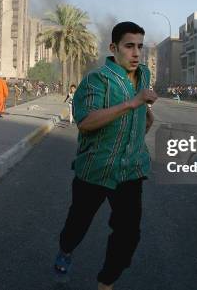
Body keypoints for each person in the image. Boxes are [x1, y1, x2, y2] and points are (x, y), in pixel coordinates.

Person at [54, 22, 157, 290]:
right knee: (77, 225)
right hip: (96, 168)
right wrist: (132, 103)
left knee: (128, 234)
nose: (136, 53)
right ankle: (66, 250)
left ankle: (106, 282)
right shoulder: (96, 80)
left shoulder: (144, 75)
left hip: (130, 170)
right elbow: (85, 122)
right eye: (129, 46)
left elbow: (139, 109)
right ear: (113, 48)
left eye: (140, 47)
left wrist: (145, 115)